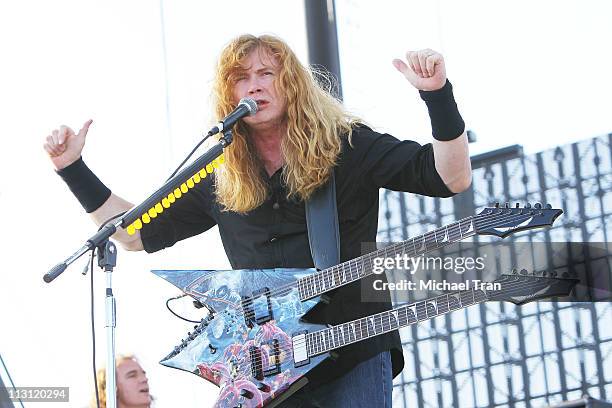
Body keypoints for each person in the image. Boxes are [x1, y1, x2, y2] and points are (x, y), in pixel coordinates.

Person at [45, 34, 471, 407]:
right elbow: (134, 232)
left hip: (351, 351)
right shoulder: (220, 172)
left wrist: (437, 95)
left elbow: (449, 177)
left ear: (292, 84)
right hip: (264, 370)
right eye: (241, 77)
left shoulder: (348, 146)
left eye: (267, 73)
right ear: (227, 95)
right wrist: (73, 169)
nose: (255, 85)